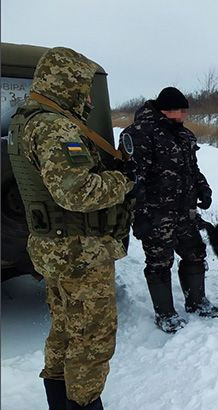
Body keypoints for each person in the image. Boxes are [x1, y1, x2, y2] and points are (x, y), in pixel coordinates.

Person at [8, 47, 134, 410]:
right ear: (68, 83)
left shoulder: (25, 120)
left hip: (54, 247)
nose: (89, 97)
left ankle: (60, 403)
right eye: (84, 87)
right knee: (92, 339)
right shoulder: (54, 126)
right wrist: (123, 181)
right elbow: (77, 192)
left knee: (65, 329)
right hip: (79, 251)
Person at [121, 87, 218, 333]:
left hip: (185, 211)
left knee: (195, 253)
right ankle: (165, 314)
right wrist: (140, 216)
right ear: (167, 110)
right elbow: (132, 180)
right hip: (157, 214)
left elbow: (193, 168)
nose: (185, 116)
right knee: (159, 262)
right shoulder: (139, 134)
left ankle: (197, 302)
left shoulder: (185, 136)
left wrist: (203, 189)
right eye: (182, 111)